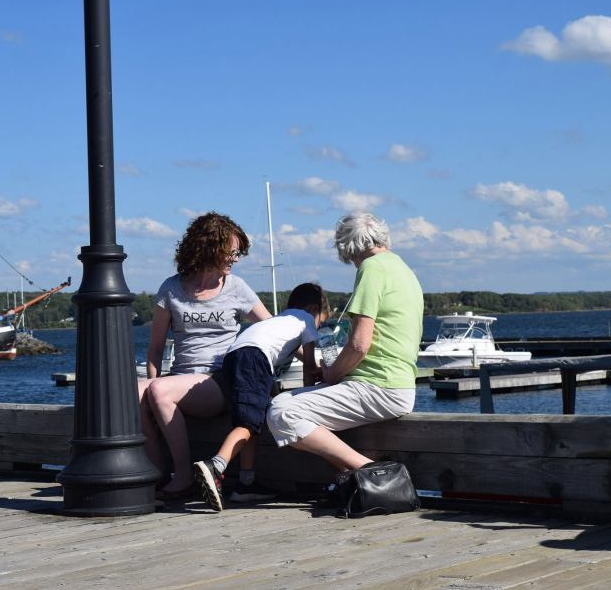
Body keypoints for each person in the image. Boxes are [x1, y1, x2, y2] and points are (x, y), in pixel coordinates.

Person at [266, 212, 423, 474]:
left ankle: (370, 471)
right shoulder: (404, 270)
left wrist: (331, 374)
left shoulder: (372, 267)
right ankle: (351, 475)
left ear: (346, 246)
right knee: (292, 403)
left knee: (281, 411)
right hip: (398, 383)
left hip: (379, 386)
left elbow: (360, 344)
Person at [140, 212, 271, 501]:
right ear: (209, 248)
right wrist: (151, 391)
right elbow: (155, 349)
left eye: (238, 253)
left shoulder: (236, 287)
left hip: (219, 380)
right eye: (231, 252)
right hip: (180, 379)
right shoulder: (171, 289)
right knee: (134, 392)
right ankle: (157, 472)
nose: (235, 259)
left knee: (159, 390)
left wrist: (312, 359)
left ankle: (184, 477)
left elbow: (272, 327)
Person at [193, 283, 329, 511]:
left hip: (235, 355)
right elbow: (308, 366)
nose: (318, 327)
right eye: (321, 322)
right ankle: (216, 465)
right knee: (248, 423)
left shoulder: (279, 320)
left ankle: (246, 483)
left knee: (252, 418)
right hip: (255, 357)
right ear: (313, 309)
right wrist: (310, 393)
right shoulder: (306, 319)